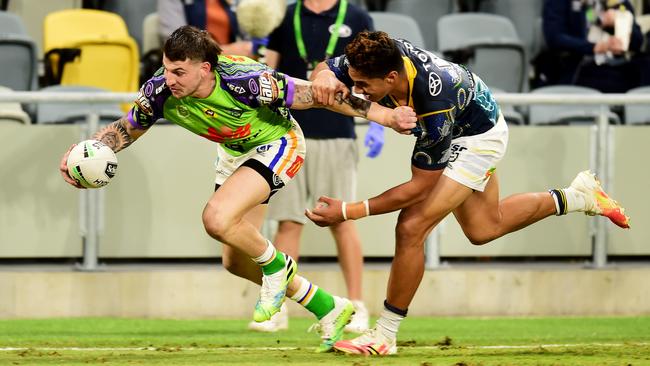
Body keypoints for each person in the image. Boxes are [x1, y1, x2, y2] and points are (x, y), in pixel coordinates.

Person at [58, 26, 415, 352]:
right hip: (235, 153)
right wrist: (86, 153)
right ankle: (328, 306)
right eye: (167, 69)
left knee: (216, 217)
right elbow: (126, 128)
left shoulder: (248, 80)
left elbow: (319, 97)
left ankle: (276, 268)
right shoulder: (160, 90)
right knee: (235, 259)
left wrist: (385, 117)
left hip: (278, 143)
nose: (170, 79)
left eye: (179, 72)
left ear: (205, 69)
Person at [305, 30, 631, 356]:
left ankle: (385, 335)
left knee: (411, 226)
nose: (356, 92)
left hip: (478, 139)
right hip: (465, 123)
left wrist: (348, 211)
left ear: (391, 77)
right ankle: (580, 196)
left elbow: (420, 186)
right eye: (353, 82)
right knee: (484, 228)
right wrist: (321, 78)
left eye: (364, 86)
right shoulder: (375, 57)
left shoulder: (434, 102)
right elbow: (324, 68)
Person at [248, 0, 380, 333]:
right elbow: (268, 69)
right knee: (288, 224)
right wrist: (257, 49)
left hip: (337, 134)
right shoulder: (285, 15)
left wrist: (377, 117)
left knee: (343, 221)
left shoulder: (356, 16)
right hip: (289, 136)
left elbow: (372, 71)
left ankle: (358, 306)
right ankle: (277, 308)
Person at [538, 0, 650, 92]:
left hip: (618, 65)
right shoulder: (564, 3)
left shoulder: (616, 3)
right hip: (580, 67)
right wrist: (595, 47)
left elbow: (638, 42)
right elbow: (554, 38)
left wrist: (616, 24)